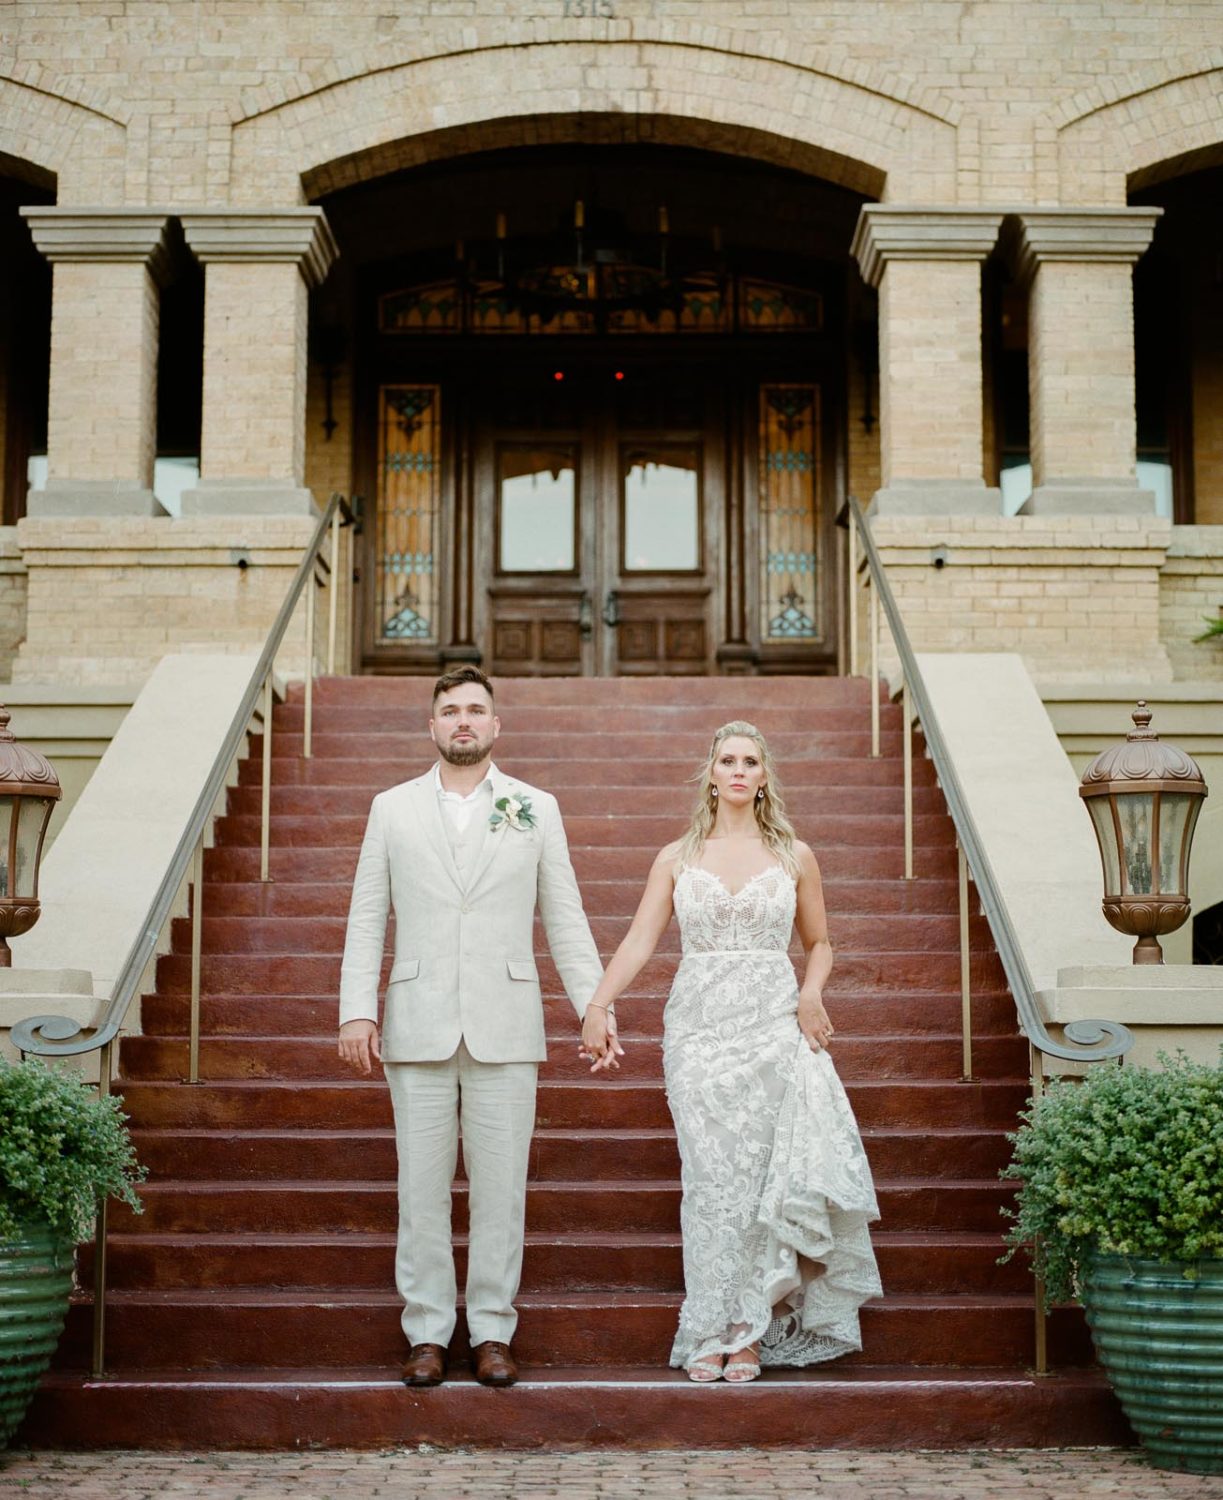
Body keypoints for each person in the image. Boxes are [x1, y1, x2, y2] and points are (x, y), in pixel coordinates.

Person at [580, 720, 882, 1383]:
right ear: (710, 774)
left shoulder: (795, 855)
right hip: (698, 1030)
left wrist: (810, 995)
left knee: (760, 1185)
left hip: (773, 1024)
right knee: (711, 1184)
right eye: (727, 760)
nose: (739, 770)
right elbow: (638, 941)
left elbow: (820, 942)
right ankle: (707, 1327)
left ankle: (747, 1331)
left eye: (750, 761)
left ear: (764, 776)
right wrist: (598, 1004)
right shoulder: (676, 857)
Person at [337, 666, 605, 1389]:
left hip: (506, 1023)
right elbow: (368, 916)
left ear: (495, 727)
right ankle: (426, 1332)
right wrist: (357, 1008)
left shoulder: (533, 808)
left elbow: (565, 916)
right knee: (419, 1190)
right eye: (450, 710)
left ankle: (490, 1330)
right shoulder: (390, 809)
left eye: (475, 710)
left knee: (500, 1190)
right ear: (432, 727)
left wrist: (593, 1004)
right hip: (417, 1021)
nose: (463, 720)